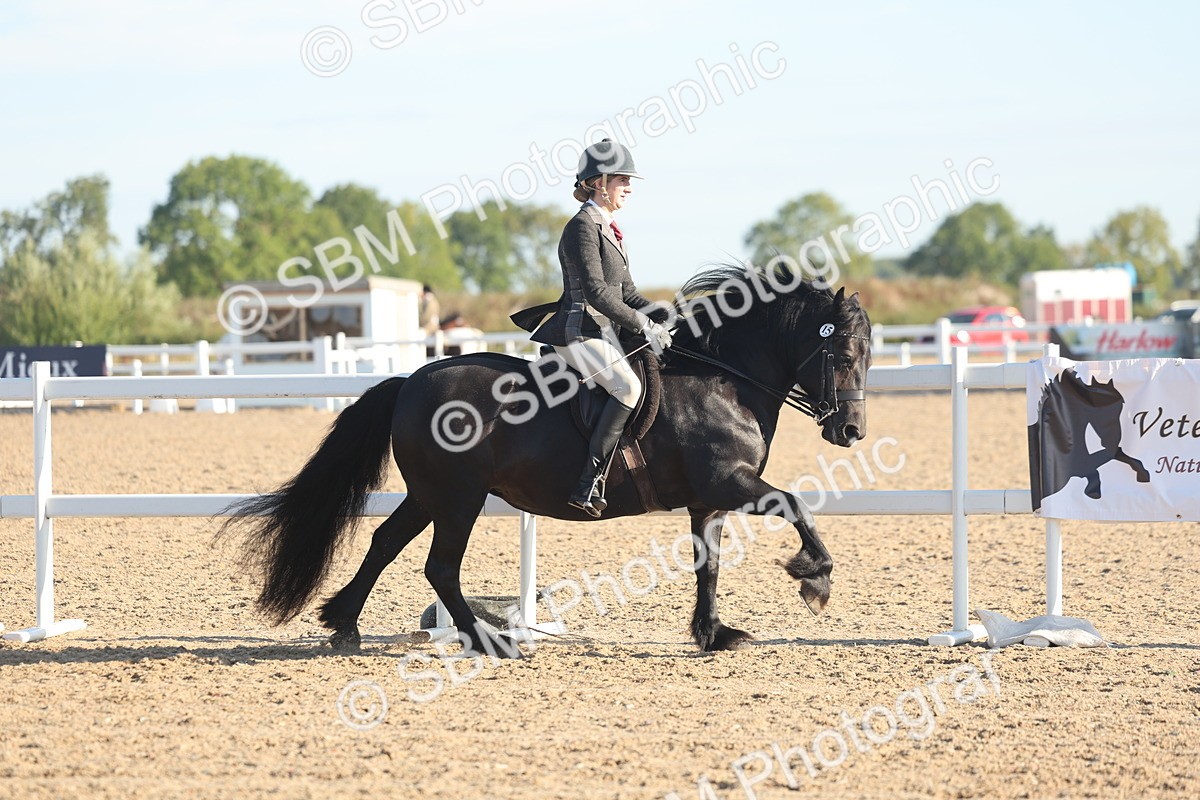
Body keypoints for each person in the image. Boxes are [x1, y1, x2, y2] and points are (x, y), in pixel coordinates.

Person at [511, 139, 673, 517]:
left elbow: (626, 291)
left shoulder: (611, 229)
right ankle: (589, 483)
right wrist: (641, 324)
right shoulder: (581, 227)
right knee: (627, 386)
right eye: (622, 180)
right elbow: (598, 293)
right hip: (579, 329)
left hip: (602, 331)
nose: (629, 187)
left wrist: (663, 315)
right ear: (599, 182)